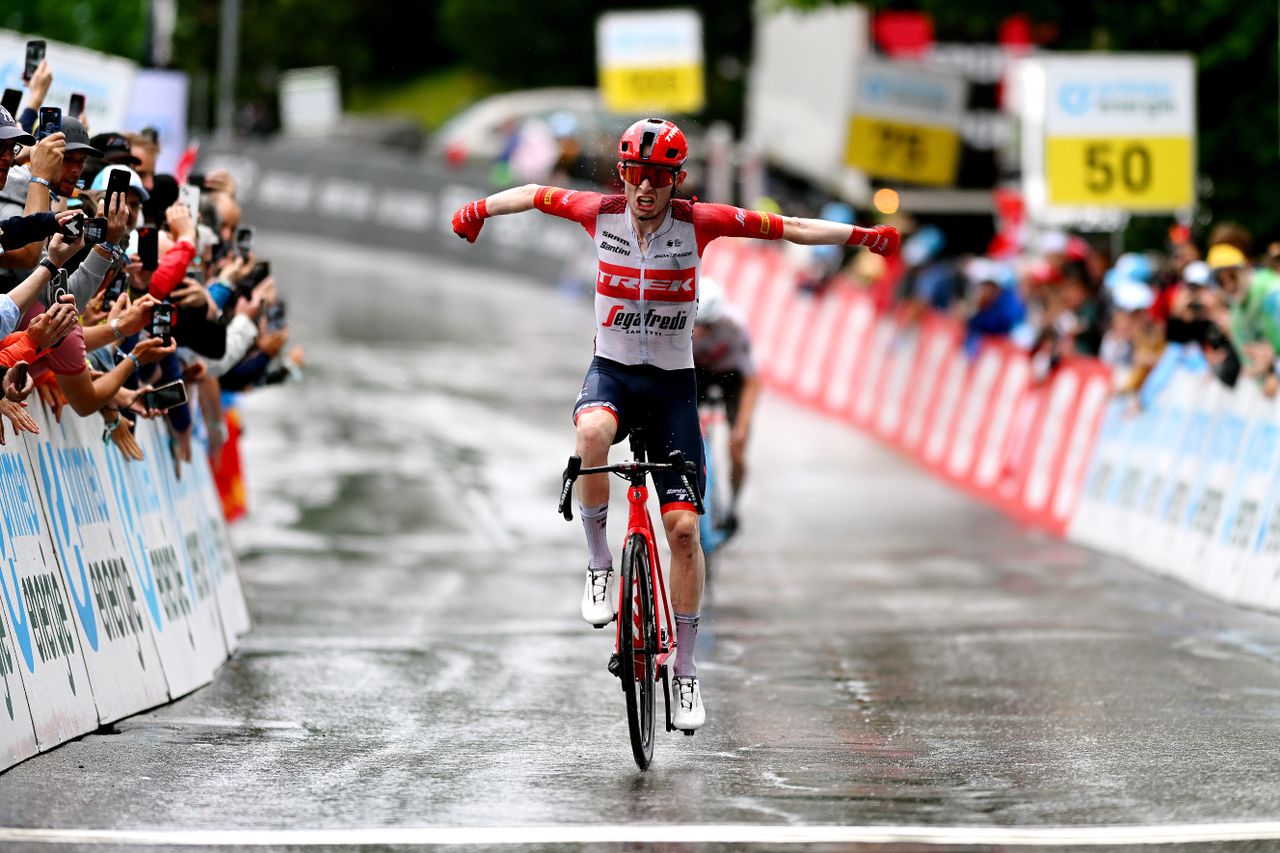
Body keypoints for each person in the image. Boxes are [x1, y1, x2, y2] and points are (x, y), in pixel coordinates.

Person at [450, 117, 899, 731]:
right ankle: (599, 568)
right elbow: (531, 194)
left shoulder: (699, 222)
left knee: (685, 531)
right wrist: (478, 209)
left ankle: (685, 671)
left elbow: (789, 228)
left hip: (670, 391)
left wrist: (862, 237)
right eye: (637, 175)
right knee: (589, 437)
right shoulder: (596, 210)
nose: (644, 190)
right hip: (611, 373)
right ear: (625, 176)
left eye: (658, 179)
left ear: (674, 182)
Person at [691, 276, 759, 538]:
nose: (699, 332)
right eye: (696, 324)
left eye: (706, 326)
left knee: (738, 445)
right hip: (696, 372)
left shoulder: (733, 328)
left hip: (731, 377)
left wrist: (740, 427)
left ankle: (732, 507)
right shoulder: (676, 323)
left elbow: (752, 381)